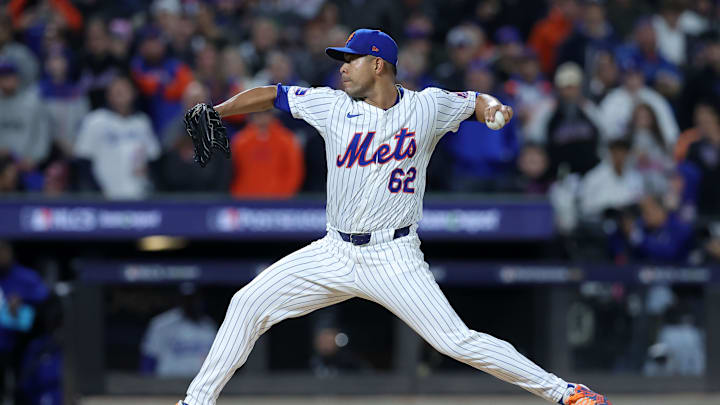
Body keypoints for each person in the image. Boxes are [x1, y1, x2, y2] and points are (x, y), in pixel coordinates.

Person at [176, 29, 610, 405]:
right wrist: (217, 110)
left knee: (456, 341)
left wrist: (493, 109)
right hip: (334, 250)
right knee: (247, 303)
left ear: (379, 65)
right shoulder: (330, 105)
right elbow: (273, 94)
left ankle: (564, 392)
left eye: (351, 60)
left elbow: (476, 100)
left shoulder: (427, 106)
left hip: (394, 254)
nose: (342, 68)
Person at [74, 76, 160, 199]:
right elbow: (83, 160)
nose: (120, 94)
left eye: (124, 90)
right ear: (108, 95)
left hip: (139, 195)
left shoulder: (142, 122)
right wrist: (94, 193)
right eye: (116, 91)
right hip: (105, 196)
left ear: (133, 93)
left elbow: (153, 157)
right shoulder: (94, 120)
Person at [0, 241, 49, 404]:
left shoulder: (26, 276)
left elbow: (45, 298)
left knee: (22, 387)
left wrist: (23, 300)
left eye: (3, 252)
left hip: (21, 343)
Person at [141, 284, 217, 377]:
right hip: (168, 384)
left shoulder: (208, 326)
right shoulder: (162, 324)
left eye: (193, 299)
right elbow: (149, 359)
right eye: (186, 300)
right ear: (179, 300)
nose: (190, 304)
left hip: (199, 385)